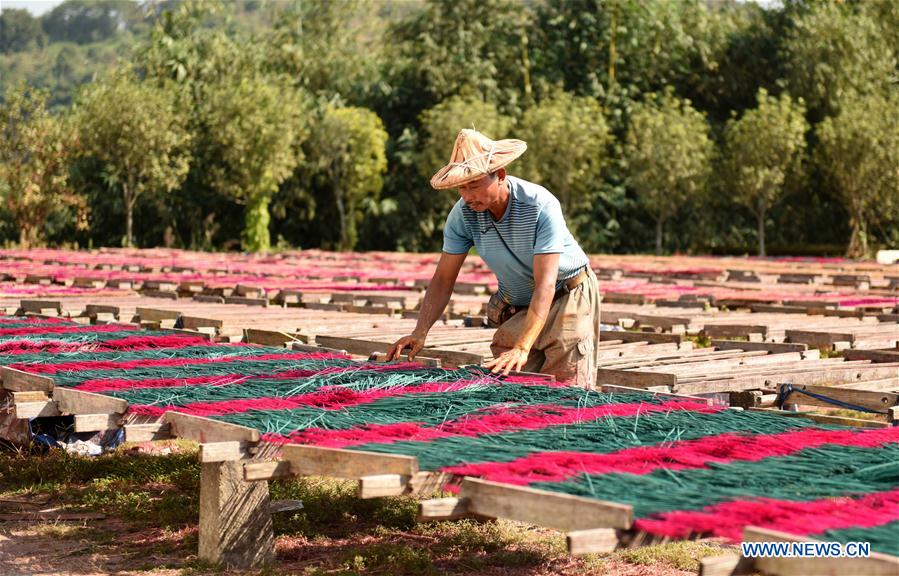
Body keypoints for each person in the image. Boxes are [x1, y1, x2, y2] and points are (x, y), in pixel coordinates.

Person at [387, 129, 600, 387]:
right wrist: (420, 332)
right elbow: (443, 279)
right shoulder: (463, 215)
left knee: (564, 383)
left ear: (500, 175)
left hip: (568, 294)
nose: (467, 196)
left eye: (474, 185)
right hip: (523, 303)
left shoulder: (540, 205)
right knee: (510, 379)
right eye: (461, 188)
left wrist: (522, 346)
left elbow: (545, 283)